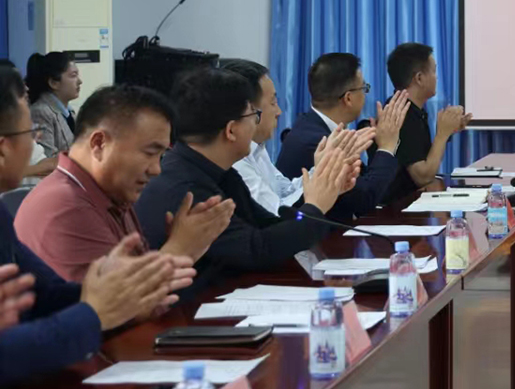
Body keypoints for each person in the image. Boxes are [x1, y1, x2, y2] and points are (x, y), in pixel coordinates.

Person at [0, 66, 191, 388]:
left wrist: (123, 294)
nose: (36, 142)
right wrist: (96, 312)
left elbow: (47, 294)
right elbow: (10, 354)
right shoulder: (63, 206)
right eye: (30, 133)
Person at [135, 67, 360, 297]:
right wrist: (315, 207)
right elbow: (256, 250)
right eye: (254, 115)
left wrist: (323, 196)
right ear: (231, 130)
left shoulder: (219, 172)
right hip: (187, 310)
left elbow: (267, 224)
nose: (256, 124)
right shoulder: (187, 188)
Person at [15, 85, 235, 281]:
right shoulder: (65, 207)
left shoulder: (112, 192)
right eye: (149, 153)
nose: (156, 170)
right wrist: (180, 249)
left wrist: (184, 246)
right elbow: (109, 307)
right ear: (99, 143)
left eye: (160, 156)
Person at [221, 59, 374, 216]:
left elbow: (285, 191)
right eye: (273, 103)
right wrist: (321, 186)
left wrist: (322, 170)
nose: (279, 112)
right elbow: (277, 214)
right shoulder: (234, 163)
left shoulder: (256, 149)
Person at [276, 53, 408, 220]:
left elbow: (374, 188)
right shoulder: (317, 142)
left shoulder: (314, 126)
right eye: (364, 88)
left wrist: (378, 143)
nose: (365, 95)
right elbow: (364, 201)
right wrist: (387, 146)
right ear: (348, 98)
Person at [382, 43, 471, 203]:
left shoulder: (412, 110)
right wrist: (442, 134)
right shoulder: (400, 113)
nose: (436, 77)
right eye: (434, 71)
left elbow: (422, 158)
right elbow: (423, 177)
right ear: (419, 78)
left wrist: (448, 131)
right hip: (397, 208)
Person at [26, 51, 82, 158]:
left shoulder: (69, 112)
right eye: (73, 75)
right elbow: (48, 158)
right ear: (53, 83)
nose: (79, 81)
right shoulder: (41, 112)